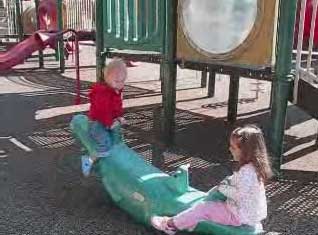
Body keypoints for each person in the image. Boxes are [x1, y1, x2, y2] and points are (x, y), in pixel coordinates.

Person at [151, 125, 273, 235]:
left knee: (203, 209)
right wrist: (227, 183)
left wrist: (223, 188)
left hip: (239, 215)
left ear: (246, 151)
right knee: (212, 199)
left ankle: (170, 225)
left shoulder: (247, 172)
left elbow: (240, 194)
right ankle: (190, 221)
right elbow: (243, 186)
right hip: (252, 215)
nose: (230, 149)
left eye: (234, 147)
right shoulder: (255, 167)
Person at [81, 58, 127, 176]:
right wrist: (109, 123)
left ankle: (114, 162)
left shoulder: (116, 90)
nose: (120, 84)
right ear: (107, 79)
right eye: (117, 81)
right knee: (105, 145)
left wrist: (119, 116)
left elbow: (117, 107)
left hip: (108, 120)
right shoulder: (103, 93)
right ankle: (88, 160)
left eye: (122, 81)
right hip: (97, 123)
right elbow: (103, 111)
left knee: (118, 138)